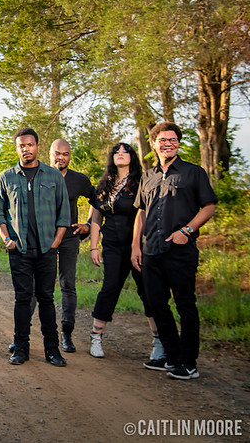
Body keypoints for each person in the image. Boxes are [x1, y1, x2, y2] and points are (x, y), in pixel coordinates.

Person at [131, 122, 216, 380]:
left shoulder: (193, 173)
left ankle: (188, 363)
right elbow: (141, 212)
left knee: (184, 304)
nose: (168, 144)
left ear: (178, 143)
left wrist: (186, 231)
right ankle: (171, 355)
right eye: (163, 140)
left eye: (173, 140)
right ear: (154, 144)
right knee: (156, 303)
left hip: (180, 251)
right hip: (151, 250)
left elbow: (209, 207)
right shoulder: (148, 176)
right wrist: (136, 245)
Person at [0, 127, 70, 367]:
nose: (26, 149)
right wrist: (7, 239)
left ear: (37, 146)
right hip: (20, 250)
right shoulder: (7, 177)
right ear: (16, 149)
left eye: (30, 145)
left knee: (46, 298)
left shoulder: (53, 176)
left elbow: (64, 212)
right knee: (22, 299)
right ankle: (21, 348)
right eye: (21, 146)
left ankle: (52, 350)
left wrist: (56, 242)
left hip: (47, 249)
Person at [88, 143, 163, 361]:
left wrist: (138, 245)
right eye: (116, 152)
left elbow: (146, 213)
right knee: (109, 287)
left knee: (147, 290)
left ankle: (159, 341)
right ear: (112, 158)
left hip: (139, 245)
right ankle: (96, 336)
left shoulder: (141, 181)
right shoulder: (105, 184)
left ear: (132, 157)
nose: (120, 154)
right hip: (112, 246)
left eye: (125, 151)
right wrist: (94, 246)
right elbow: (96, 217)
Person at [48, 138, 95, 352]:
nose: (61, 157)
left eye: (65, 154)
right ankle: (23, 336)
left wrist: (88, 224)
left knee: (68, 285)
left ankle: (66, 334)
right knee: (40, 286)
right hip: (44, 239)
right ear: (50, 154)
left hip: (69, 238)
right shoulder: (41, 175)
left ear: (70, 156)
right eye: (57, 153)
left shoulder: (79, 180)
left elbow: (97, 200)